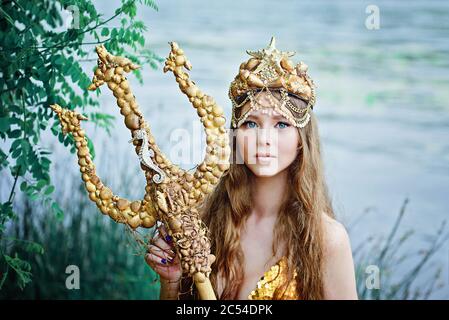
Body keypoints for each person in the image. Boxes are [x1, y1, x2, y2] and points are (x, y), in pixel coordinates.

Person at [145, 37, 358, 300]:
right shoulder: (205, 221)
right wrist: (171, 282)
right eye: (251, 124)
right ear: (235, 135)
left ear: (302, 141)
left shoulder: (327, 240)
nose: (264, 139)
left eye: (281, 125)